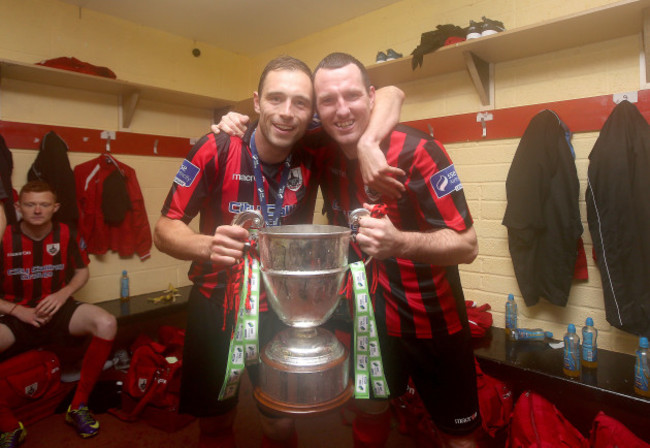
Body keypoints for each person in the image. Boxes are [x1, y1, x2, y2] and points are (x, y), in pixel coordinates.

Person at [153, 55, 404, 448]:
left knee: (281, 422)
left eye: (301, 103)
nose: (287, 113)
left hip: (283, 308)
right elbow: (164, 228)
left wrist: (370, 142)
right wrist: (207, 245)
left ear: (311, 113)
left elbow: (390, 92)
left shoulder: (312, 147)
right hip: (217, 304)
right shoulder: (215, 147)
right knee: (216, 424)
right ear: (256, 103)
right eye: (276, 99)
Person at [314, 53, 481, 448]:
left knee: (459, 436)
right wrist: (228, 123)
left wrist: (399, 243)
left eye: (352, 96)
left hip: (434, 324)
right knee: (370, 413)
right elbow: (273, 120)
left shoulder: (420, 150)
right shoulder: (321, 147)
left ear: (371, 97)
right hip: (368, 322)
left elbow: (468, 245)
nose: (341, 110)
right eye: (327, 101)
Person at [0, 181, 117, 445]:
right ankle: (7, 425)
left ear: (56, 207)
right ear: (18, 207)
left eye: (44, 204)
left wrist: (61, 294)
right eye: (30, 204)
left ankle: (78, 406)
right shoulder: (4, 236)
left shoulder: (66, 233)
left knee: (106, 322)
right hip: (15, 314)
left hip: (56, 308)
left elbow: (82, 271)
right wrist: (19, 311)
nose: (38, 210)